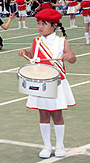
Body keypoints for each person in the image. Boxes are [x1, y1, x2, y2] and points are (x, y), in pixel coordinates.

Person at [18, 9, 76, 159]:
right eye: (38, 23)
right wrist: (24, 52)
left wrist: (68, 56)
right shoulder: (36, 41)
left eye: (44, 23)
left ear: (54, 25)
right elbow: (32, 55)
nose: (40, 26)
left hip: (56, 83)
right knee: (43, 113)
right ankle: (46, 145)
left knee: (57, 114)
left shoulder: (61, 41)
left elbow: (72, 56)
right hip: (40, 82)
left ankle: (60, 145)